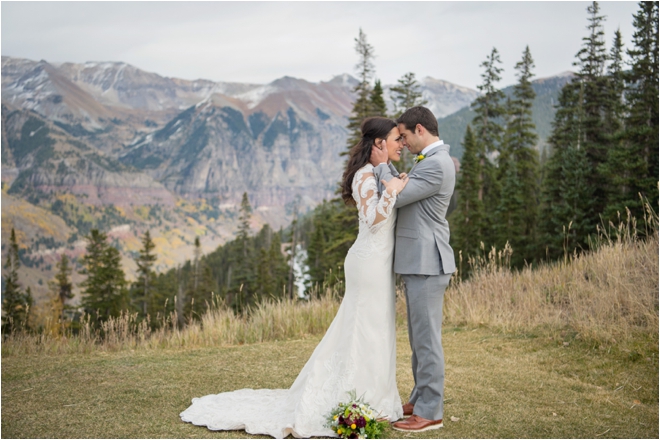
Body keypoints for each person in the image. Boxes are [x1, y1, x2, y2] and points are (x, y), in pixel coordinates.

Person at [180, 117, 409, 438]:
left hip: (378, 264)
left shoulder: (381, 174)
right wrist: (394, 191)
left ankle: (375, 396)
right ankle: (357, 399)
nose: (401, 144)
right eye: (397, 138)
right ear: (379, 144)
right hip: (368, 264)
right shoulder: (365, 176)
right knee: (365, 328)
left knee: (376, 328)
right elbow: (373, 220)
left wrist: (395, 184)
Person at [369, 106, 456, 433]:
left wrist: (381, 168)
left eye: (404, 136)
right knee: (420, 339)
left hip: (427, 261)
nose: (403, 143)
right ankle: (420, 399)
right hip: (420, 260)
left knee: (427, 340)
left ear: (420, 129)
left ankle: (431, 412)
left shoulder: (435, 165)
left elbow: (397, 197)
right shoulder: (430, 163)